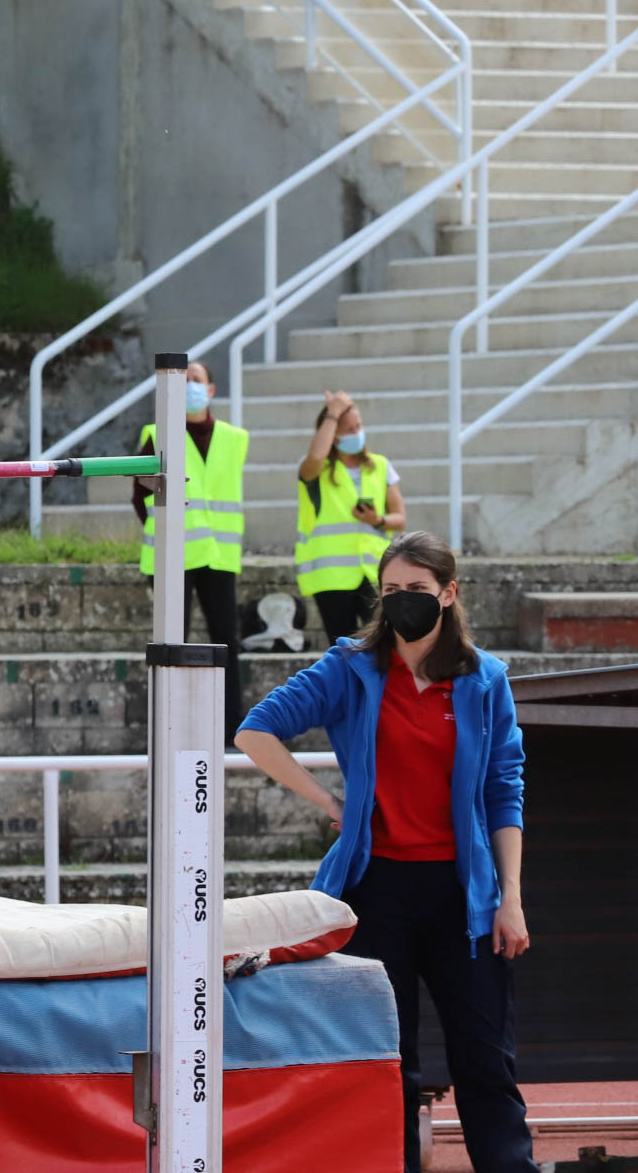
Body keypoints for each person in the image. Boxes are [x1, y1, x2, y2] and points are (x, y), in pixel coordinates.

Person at [234, 531, 533, 1173]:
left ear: (448, 596)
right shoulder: (352, 667)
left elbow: (505, 792)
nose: (402, 603)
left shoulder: (485, 681)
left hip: (466, 898)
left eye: (417, 591)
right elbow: (255, 730)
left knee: (485, 1059)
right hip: (376, 893)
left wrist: (511, 899)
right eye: (391, 590)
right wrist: (333, 804)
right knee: (384, 1060)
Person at [132, 359, 247, 740]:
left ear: (211, 390)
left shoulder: (235, 437)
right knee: (170, 644)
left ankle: (234, 728)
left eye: (196, 380)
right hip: (171, 556)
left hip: (218, 555)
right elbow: (139, 496)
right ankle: (168, 727)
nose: (190, 387)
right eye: (184, 381)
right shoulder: (156, 431)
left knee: (227, 642)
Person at [297, 389, 406, 644]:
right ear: (332, 434)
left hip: (374, 573)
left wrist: (377, 520)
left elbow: (399, 517)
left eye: (358, 426)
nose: (356, 433)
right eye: (347, 428)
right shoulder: (316, 468)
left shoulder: (380, 465)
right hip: (331, 576)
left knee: (383, 647)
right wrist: (333, 412)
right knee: (342, 652)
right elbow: (315, 456)